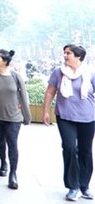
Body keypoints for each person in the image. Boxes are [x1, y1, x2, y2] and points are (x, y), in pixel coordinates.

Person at [43, 44, 95, 201]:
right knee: (69, 148)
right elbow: (51, 91)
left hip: (88, 117)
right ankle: (73, 186)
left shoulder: (90, 72)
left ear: (78, 56)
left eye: (69, 53)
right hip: (65, 116)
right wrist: (46, 110)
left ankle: (84, 185)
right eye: (64, 53)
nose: (65, 56)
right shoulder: (58, 73)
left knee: (85, 150)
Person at [0, 49, 31, 190]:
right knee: (0, 141)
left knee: (12, 143)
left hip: (14, 116)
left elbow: (23, 95)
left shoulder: (16, 76)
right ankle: (3, 162)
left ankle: (13, 174)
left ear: (5, 61)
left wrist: (26, 115)